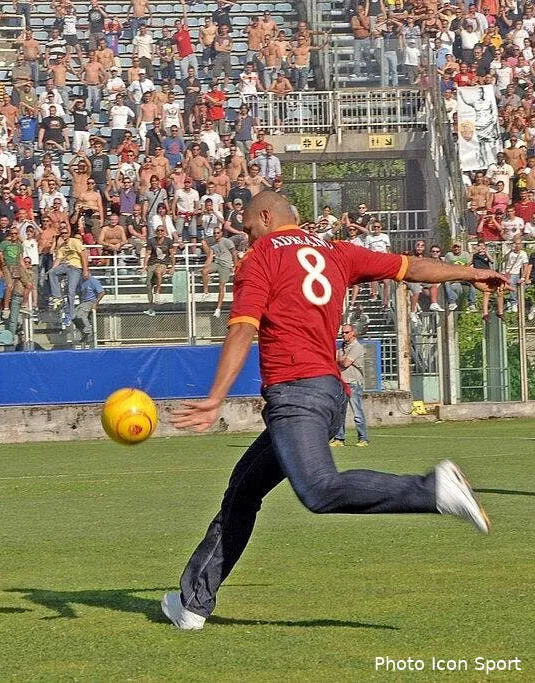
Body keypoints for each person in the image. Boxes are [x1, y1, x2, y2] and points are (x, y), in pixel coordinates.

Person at [162, 191, 509, 631]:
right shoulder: (335, 250)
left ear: (266, 217)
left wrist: (215, 396)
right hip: (328, 394)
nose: (247, 238)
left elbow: (242, 329)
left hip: (297, 393)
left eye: (249, 229)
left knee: (319, 490)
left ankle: (434, 490)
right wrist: (470, 272)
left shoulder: (260, 259)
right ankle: (193, 603)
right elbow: (410, 268)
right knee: (243, 490)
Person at [330, 324, 368, 447]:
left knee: (357, 412)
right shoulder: (342, 347)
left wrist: (339, 359)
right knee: (340, 412)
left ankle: (363, 438)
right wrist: (339, 359)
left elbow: (345, 363)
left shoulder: (357, 347)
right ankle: (339, 439)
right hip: (342, 382)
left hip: (353, 382)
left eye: (346, 332)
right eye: (342, 333)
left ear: (353, 333)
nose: (344, 335)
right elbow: (333, 359)